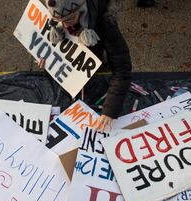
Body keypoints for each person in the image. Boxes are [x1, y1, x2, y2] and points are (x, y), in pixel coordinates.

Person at [39, 0, 133, 131]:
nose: (66, 24)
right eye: (61, 21)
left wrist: (110, 110)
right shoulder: (56, 21)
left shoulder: (105, 23)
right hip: (73, 72)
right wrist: (45, 58)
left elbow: (122, 69)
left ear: (82, 8)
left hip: (94, 64)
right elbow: (49, 43)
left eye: (70, 18)